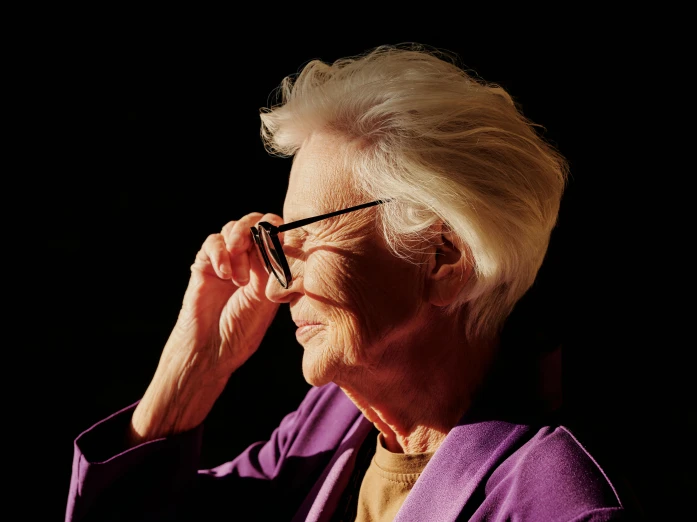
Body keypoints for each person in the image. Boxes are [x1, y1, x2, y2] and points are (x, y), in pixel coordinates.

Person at [65, 43, 634, 521]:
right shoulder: (331, 427)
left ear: (443, 258)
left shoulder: (552, 503)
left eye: (306, 239)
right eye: (277, 242)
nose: (277, 287)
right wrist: (191, 372)